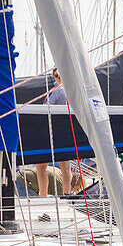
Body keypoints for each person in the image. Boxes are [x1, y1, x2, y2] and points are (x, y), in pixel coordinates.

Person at [38, 67, 76, 197]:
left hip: (52, 131)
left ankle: (42, 196)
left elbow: (44, 109)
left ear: (55, 76)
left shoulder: (55, 91)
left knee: (41, 166)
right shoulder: (72, 91)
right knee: (65, 165)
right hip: (67, 132)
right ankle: (67, 193)